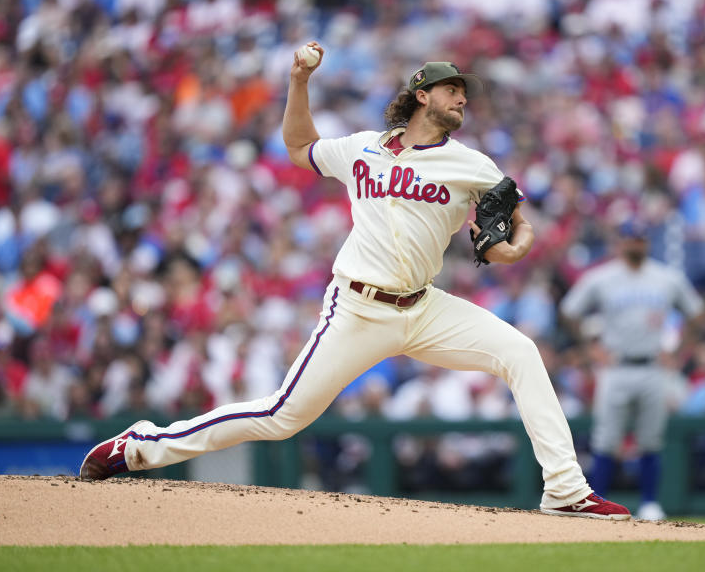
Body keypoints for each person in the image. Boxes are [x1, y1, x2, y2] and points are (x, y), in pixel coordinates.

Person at [80, 43, 630, 520]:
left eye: (466, 92)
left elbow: (516, 217)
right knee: (280, 417)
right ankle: (139, 445)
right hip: (357, 309)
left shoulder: (472, 165)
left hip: (425, 307)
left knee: (521, 352)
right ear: (422, 95)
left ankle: (565, 491)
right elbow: (299, 147)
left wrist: (517, 244)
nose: (463, 98)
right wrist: (299, 81)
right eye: (452, 90)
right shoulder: (361, 148)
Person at [560, 220, 704, 521]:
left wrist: (679, 352)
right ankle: (597, 502)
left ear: (647, 242)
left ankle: (650, 502)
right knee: (606, 440)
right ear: (620, 242)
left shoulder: (666, 278)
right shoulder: (602, 278)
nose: (636, 243)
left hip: (653, 365)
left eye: (640, 238)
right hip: (616, 367)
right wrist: (591, 350)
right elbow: (569, 311)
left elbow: (696, 312)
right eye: (630, 238)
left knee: (651, 439)